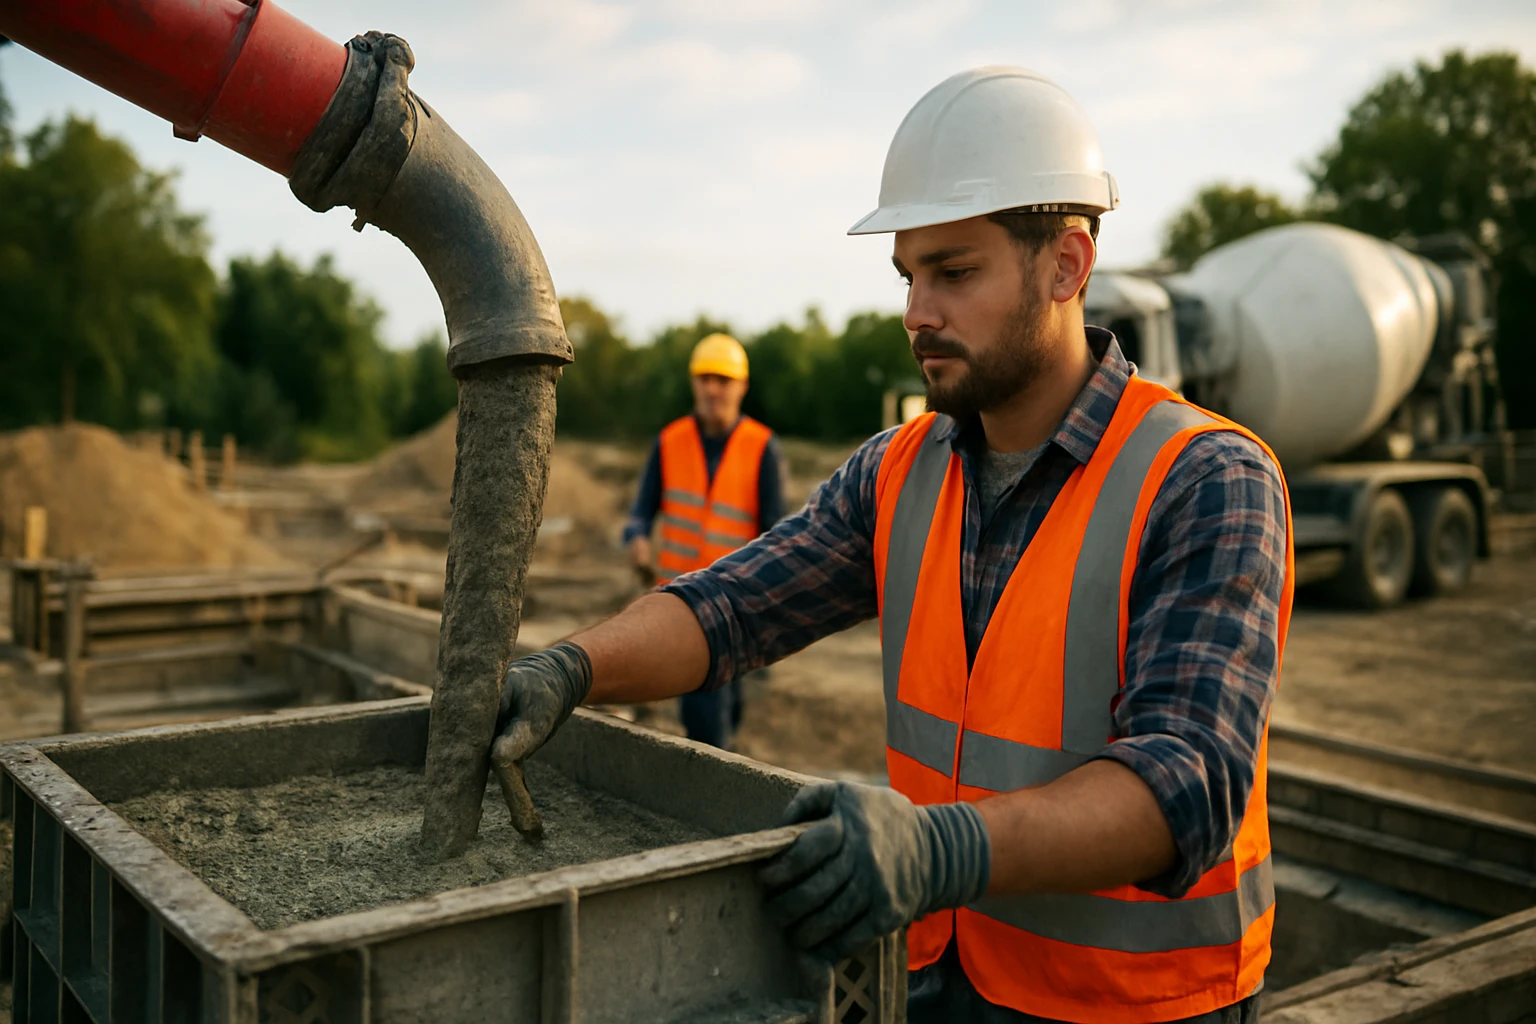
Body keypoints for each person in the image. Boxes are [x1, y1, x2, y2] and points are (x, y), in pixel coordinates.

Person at [493, 67, 1289, 1023]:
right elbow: (731, 607)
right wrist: (566, 671)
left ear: (1068, 265)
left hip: (1133, 1004)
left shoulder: (1204, 478)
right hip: (938, 973)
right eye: (908, 275)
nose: (918, 311)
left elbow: (1186, 783)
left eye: (955, 272)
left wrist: (935, 850)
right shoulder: (901, 471)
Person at [622, 332, 786, 749]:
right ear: (693, 383)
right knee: (706, 723)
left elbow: (777, 533)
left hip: (738, 609)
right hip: (680, 606)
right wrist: (637, 538)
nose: (713, 388)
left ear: (742, 386)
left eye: (723, 379)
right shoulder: (670, 441)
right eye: (705, 378)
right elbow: (640, 511)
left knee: (727, 711)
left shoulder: (763, 449)